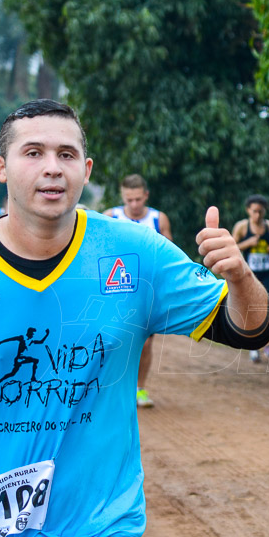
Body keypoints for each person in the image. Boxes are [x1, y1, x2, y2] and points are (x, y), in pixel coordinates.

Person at [0, 99, 269, 537]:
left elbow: (248, 327)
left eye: (66, 153)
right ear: (1, 167)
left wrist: (239, 278)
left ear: (86, 169)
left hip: (102, 526)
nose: (52, 166)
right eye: (33, 152)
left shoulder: (135, 251)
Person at [104, 174, 174, 408]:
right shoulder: (111, 217)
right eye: (129, 199)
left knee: (144, 343)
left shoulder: (158, 219)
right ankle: (110, 388)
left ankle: (139, 389)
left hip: (147, 293)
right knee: (112, 342)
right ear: (123, 196)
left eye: (137, 199)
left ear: (146, 195)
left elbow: (169, 255)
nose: (134, 204)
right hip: (115, 292)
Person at [232, 194, 269, 362]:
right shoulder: (241, 227)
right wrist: (247, 244)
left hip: (268, 272)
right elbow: (232, 246)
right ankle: (253, 346)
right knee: (251, 307)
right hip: (249, 274)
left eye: (261, 212)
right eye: (254, 211)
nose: (257, 215)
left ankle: (267, 347)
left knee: (268, 308)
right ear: (248, 210)